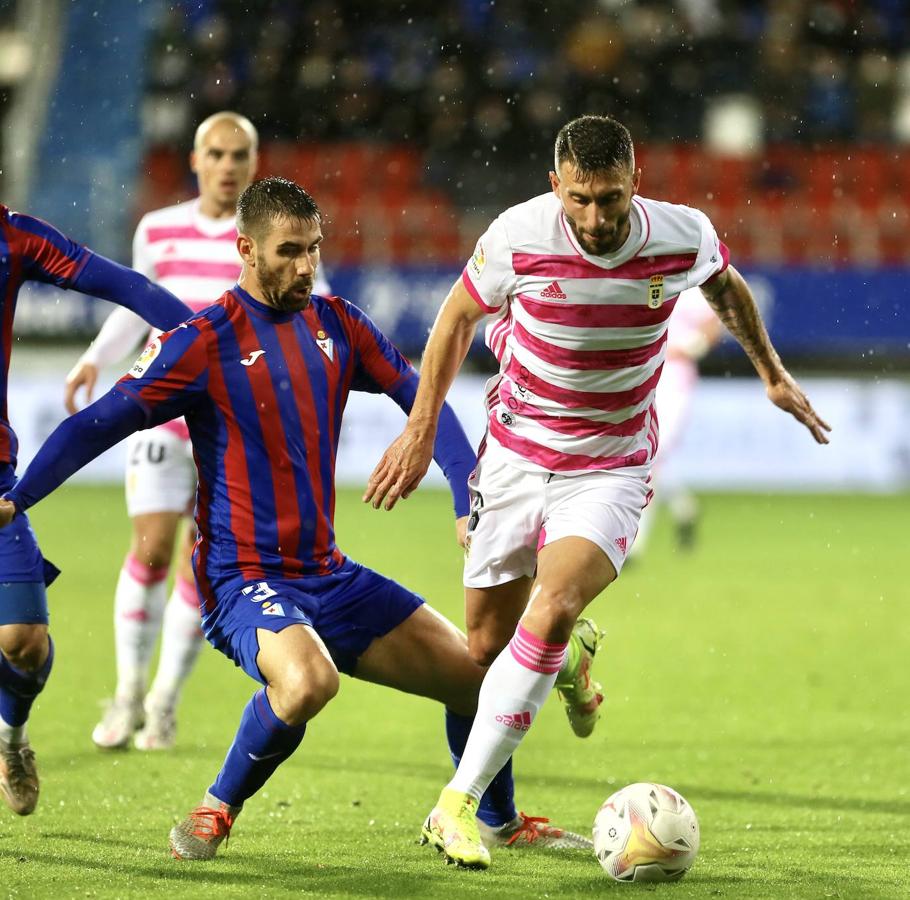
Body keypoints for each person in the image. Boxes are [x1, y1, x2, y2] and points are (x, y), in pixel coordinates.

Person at [0, 177, 591, 858]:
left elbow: (419, 393)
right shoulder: (201, 343)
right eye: (289, 251)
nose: (307, 265)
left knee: (474, 677)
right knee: (310, 681)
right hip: (240, 579)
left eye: (314, 248)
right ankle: (215, 808)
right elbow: (98, 423)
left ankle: (500, 819)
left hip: (327, 575)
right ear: (246, 249)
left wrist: (464, 490)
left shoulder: (337, 324)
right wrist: (20, 497)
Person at [364, 114, 831, 869]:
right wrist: (421, 430)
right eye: (579, 199)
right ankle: (570, 662)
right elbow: (454, 320)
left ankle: (456, 805)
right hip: (514, 456)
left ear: (635, 184)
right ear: (556, 186)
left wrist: (771, 372)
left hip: (609, 466)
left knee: (549, 610)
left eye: (610, 198)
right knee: (485, 646)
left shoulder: (680, 234)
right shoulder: (518, 234)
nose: (595, 218)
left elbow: (727, 288)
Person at [64, 111, 324, 752]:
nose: (228, 165)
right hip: (165, 420)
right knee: (150, 549)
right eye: (217, 153)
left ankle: (164, 702)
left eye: (240, 154)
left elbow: (309, 313)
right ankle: (126, 695)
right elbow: (136, 308)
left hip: (239, 430)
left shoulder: (278, 238)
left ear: (254, 162)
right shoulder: (159, 230)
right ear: (196, 159)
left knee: (199, 564)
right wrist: (97, 357)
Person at [0, 202, 190, 817]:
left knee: (25, 642)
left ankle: (11, 737)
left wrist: (196, 339)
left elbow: (127, 285)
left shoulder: (14, 236)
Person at [630, 286, 725, 556]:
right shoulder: (645, 279)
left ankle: (636, 543)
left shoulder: (690, 287)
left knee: (651, 455)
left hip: (674, 380)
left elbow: (712, 326)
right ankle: (684, 506)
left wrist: (691, 346)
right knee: (641, 455)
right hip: (641, 375)